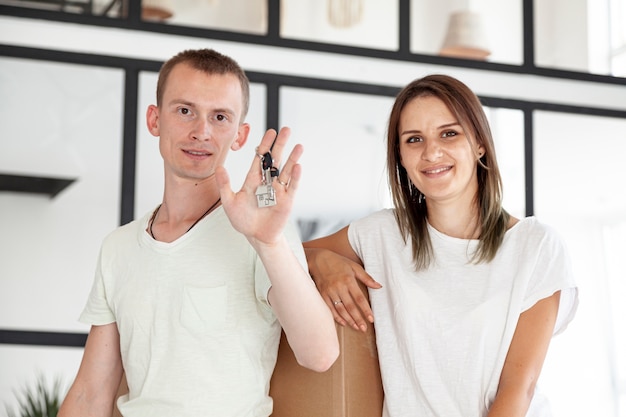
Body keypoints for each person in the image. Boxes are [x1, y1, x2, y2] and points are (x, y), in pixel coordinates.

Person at [58, 48, 339, 417]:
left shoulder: (262, 233)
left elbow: (319, 355)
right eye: (185, 110)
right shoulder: (118, 247)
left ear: (240, 136)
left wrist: (268, 243)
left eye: (219, 117)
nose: (201, 132)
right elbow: (90, 394)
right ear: (155, 119)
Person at [304, 74, 578, 417]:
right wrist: (319, 261)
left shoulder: (535, 246)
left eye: (449, 133)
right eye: (414, 139)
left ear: (479, 143)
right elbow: (279, 254)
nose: (431, 152)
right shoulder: (381, 234)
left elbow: (518, 390)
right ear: (401, 157)